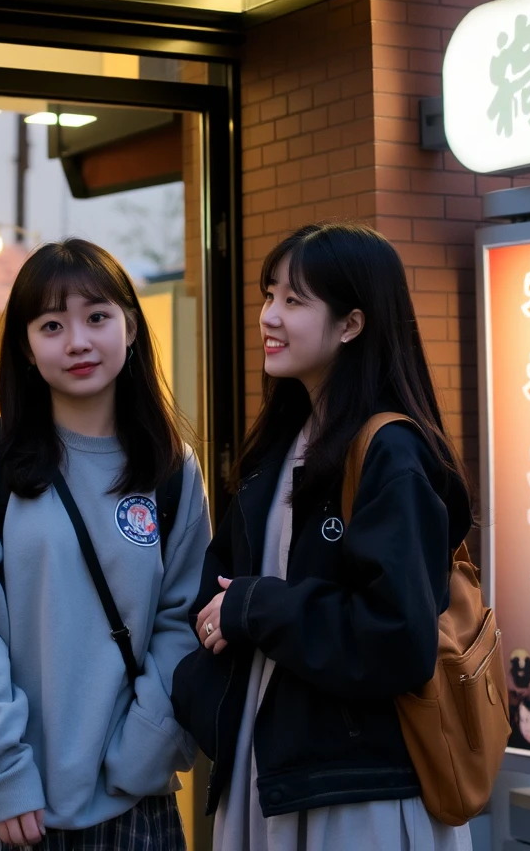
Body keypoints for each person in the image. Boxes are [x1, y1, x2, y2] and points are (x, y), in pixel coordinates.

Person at [171, 222, 474, 850]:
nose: (269, 317)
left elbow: (397, 638)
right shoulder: (277, 447)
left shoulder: (392, 452)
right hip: (271, 774)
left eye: (294, 300)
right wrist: (203, 690)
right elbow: (217, 591)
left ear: (352, 325)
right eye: (268, 295)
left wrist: (257, 607)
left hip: (356, 795)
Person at [0, 238, 210, 850]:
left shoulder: (172, 469)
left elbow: (184, 622)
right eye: (52, 325)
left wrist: (145, 750)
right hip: (5, 811)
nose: (77, 340)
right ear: (26, 347)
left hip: (135, 805)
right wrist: (1, 771)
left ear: (131, 328)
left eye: (97, 317)